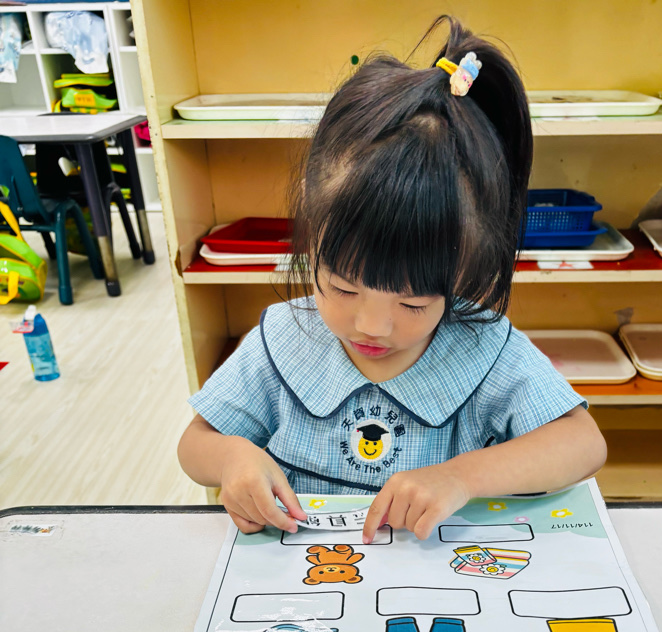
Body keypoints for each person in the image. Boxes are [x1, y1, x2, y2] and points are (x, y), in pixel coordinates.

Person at [178, 16, 607, 544]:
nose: (372, 326)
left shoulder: (483, 346)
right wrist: (232, 458)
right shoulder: (283, 338)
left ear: (463, 271)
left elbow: (583, 443)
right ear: (310, 230)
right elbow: (194, 445)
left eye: (413, 304)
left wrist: (461, 477)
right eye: (343, 288)